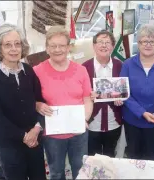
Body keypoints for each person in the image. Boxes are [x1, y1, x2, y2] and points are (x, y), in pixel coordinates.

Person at [0, 24, 46, 180]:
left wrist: (36, 130)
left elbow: (40, 102)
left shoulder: (29, 71)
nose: (14, 49)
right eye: (7, 45)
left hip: (34, 139)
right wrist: (24, 136)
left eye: (17, 44)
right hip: (8, 145)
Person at [33, 26, 93, 180]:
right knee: (56, 172)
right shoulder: (37, 71)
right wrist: (37, 105)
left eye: (62, 45)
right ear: (47, 48)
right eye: (53, 46)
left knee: (80, 171)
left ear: (68, 48)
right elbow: (29, 99)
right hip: (52, 134)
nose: (57, 49)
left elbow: (87, 98)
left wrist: (84, 118)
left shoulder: (80, 70)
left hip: (78, 132)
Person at [120, 24, 154, 160]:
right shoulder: (127, 64)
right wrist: (142, 112)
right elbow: (124, 93)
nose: (148, 45)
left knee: (151, 156)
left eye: (152, 41)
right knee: (133, 155)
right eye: (144, 41)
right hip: (132, 119)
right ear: (138, 44)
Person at [82, 30, 123, 157]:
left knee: (110, 156)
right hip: (92, 122)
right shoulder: (84, 67)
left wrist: (122, 97)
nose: (104, 45)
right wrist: (88, 95)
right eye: (100, 42)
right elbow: (78, 93)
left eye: (107, 42)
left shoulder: (120, 66)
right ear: (94, 46)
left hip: (113, 121)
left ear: (112, 46)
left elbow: (126, 89)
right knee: (92, 157)